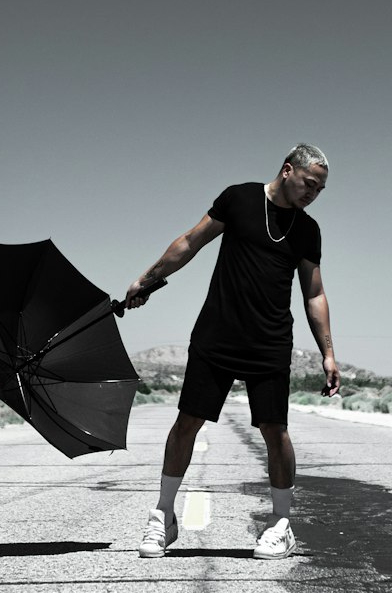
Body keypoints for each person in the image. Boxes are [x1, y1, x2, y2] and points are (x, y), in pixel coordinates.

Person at [124, 143, 340, 560]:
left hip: (270, 341)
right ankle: (163, 516)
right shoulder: (239, 198)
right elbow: (190, 242)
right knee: (187, 422)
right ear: (287, 169)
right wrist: (148, 278)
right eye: (310, 184)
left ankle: (280, 524)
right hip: (216, 335)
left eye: (320, 190)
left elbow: (314, 293)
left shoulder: (308, 230)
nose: (313, 194)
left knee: (275, 432)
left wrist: (328, 353)